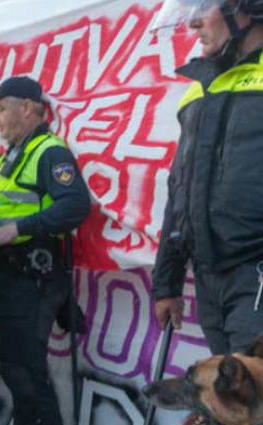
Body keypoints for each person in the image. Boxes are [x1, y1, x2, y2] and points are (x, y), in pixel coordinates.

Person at [0, 76, 91, 425]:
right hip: (10, 278)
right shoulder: (13, 155)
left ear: (26, 108)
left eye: (0, 108)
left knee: (25, 375)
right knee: (18, 372)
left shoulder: (48, 151)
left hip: (31, 278)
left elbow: (75, 205)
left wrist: (14, 231)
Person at [151, 0, 263, 355]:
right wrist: (166, 282)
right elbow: (179, 189)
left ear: (246, 9)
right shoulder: (199, 88)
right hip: (209, 277)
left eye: (204, 7)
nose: (194, 22)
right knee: (227, 406)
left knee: (253, 405)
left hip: (255, 274)